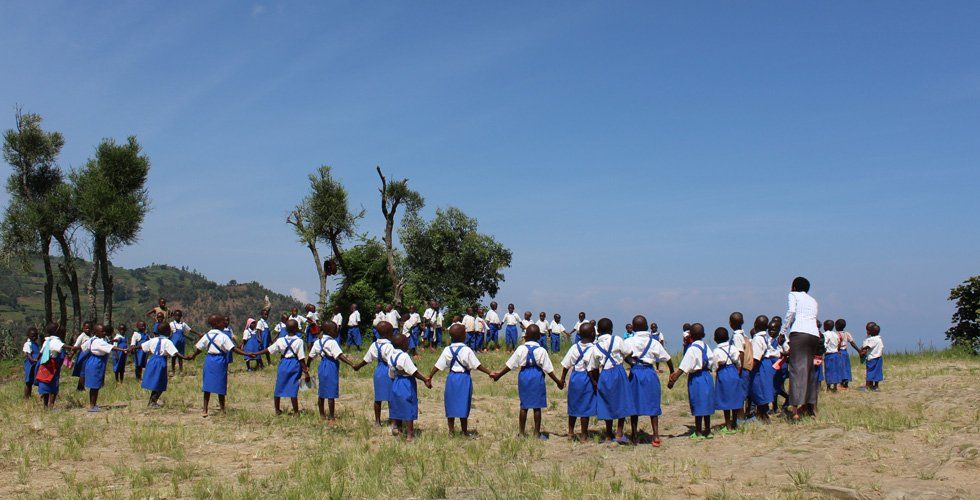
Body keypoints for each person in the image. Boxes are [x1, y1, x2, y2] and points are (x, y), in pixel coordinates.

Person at [490, 324, 563, 439]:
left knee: (524, 406)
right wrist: (558, 382)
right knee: (537, 406)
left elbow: (510, 365)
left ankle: (522, 433)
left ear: (525, 336)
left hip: (524, 375)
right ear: (539, 336)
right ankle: (537, 433)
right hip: (537, 376)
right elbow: (548, 370)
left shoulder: (521, 349)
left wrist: (499, 375)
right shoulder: (541, 350)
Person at [427, 324, 494, 435]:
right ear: (464, 336)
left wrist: (430, 377)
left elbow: (438, 366)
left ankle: (451, 431)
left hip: (452, 378)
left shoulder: (447, 350)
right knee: (464, 403)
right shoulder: (466, 350)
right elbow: (477, 365)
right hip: (464, 379)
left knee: (450, 403)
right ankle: (464, 431)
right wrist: (489, 372)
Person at [625, 315, 673, 446]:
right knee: (653, 401)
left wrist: (630, 361)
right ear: (647, 327)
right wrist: (672, 373)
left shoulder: (629, 341)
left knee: (633, 403)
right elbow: (667, 358)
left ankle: (634, 435)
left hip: (635, 372)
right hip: (650, 372)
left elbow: (622, 355)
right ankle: (656, 435)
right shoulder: (654, 342)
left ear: (633, 327)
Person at [190, 315, 249, 417]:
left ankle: (205, 409)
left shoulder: (207, 335)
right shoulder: (223, 336)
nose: (224, 323)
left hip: (209, 360)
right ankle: (222, 409)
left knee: (207, 385)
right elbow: (233, 349)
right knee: (221, 385)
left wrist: (193, 356)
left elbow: (199, 348)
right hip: (220, 360)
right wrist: (247, 354)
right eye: (222, 322)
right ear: (217, 324)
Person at [780, 276, 821, 420]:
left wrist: (783, 332)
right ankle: (810, 408)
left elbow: (791, 312)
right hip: (814, 334)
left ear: (794, 287)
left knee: (796, 370)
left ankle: (796, 411)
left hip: (799, 332)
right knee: (809, 371)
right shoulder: (813, 300)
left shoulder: (793, 295)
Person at [250, 319, 311, 414]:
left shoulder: (280, 340)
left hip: (283, 364)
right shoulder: (299, 341)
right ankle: (296, 412)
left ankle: (277, 409)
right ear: (297, 329)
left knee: (279, 386)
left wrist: (256, 353)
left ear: (286, 329)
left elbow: (268, 350)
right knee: (293, 388)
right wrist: (306, 372)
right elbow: (301, 359)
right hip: (294, 365)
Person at [590, 318, 635, 445]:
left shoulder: (596, 346)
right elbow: (628, 352)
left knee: (606, 402)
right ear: (611, 329)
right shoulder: (618, 339)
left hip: (604, 373)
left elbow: (593, 367)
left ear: (598, 330)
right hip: (618, 371)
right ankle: (619, 433)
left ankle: (608, 434)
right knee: (622, 400)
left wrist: (596, 382)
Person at [667, 323, 716, 439]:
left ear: (690, 336)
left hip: (697, 379)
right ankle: (708, 431)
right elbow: (713, 361)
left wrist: (673, 379)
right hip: (707, 376)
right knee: (706, 403)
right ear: (703, 334)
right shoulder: (706, 346)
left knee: (697, 402)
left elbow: (684, 367)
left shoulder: (692, 349)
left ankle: (698, 431)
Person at [309, 320, 358, 422]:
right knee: (331, 392)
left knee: (321, 391)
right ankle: (331, 416)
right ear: (330, 331)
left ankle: (322, 415)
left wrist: (307, 366)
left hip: (322, 366)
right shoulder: (332, 342)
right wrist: (352, 364)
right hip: (331, 366)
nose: (336, 331)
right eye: (335, 329)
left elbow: (310, 356)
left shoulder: (318, 342)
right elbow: (339, 356)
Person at [388, 333, 432, 441]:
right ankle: (410, 435)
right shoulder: (404, 356)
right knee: (409, 406)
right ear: (403, 344)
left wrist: (393, 380)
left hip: (396, 382)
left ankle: (397, 428)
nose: (408, 344)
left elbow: (391, 372)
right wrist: (425, 380)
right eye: (407, 342)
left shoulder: (391, 356)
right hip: (406, 382)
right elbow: (413, 372)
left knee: (397, 405)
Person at [350, 321, 395, 426]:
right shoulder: (390, 346)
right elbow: (392, 362)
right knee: (391, 397)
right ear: (389, 333)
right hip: (388, 371)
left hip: (378, 371)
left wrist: (358, 366)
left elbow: (367, 359)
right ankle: (393, 421)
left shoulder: (374, 345)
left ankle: (377, 421)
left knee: (378, 397)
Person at [559, 322, 597, 442]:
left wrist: (562, 379)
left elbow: (566, 365)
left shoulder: (574, 347)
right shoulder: (594, 349)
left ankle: (570, 432)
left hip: (575, 377)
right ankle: (584, 435)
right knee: (585, 407)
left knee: (573, 403)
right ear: (592, 334)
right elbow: (595, 367)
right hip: (587, 378)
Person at [141, 323, 190, 408]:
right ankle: (152, 402)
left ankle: (152, 401)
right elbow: (176, 353)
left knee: (156, 381)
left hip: (152, 361)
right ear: (168, 331)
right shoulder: (168, 342)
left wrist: (132, 348)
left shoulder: (153, 340)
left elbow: (142, 346)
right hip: (161, 362)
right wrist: (185, 357)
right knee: (161, 382)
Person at [85, 324, 129, 412]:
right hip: (97, 362)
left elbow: (83, 347)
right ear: (96, 332)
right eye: (102, 331)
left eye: (104, 331)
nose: (104, 333)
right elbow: (112, 347)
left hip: (93, 361)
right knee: (95, 385)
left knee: (95, 385)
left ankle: (93, 404)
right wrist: (123, 350)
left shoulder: (93, 339)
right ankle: (92, 406)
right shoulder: (99, 341)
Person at [712, 327, 742, 433]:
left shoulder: (716, 351)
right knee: (734, 398)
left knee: (725, 400)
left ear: (715, 339)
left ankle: (728, 425)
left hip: (723, 373)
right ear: (728, 337)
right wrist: (738, 371)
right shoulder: (733, 348)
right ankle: (735, 423)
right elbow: (738, 362)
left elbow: (715, 366)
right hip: (733, 372)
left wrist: (715, 374)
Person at [749, 320, 779, 422]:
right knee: (763, 388)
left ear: (755, 325)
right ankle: (763, 414)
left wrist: (750, 368)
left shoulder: (757, 339)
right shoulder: (765, 337)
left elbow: (756, 357)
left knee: (759, 388)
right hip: (766, 364)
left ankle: (762, 415)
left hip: (760, 365)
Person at [35, 323, 66, 408]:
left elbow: (41, 352)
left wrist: (36, 360)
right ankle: (51, 405)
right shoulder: (56, 341)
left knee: (45, 383)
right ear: (57, 331)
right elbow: (63, 346)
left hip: (44, 364)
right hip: (52, 365)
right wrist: (75, 348)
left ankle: (45, 406)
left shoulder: (47, 341)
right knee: (53, 385)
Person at [169, 309, 196, 375]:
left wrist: (197, 334)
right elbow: (169, 332)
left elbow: (189, 330)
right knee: (174, 356)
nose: (177, 317)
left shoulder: (183, 324)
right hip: (174, 342)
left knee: (180, 357)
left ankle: (181, 371)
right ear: (174, 316)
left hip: (181, 342)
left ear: (181, 316)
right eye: (176, 315)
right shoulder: (171, 324)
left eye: (179, 315)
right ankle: (173, 371)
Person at [69, 321, 94, 391]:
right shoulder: (82, 336)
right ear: (83, 328)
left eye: (89, 328)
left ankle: (81, 386)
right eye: (86, 328)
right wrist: (71, 355)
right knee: (82, 372)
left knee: (86, 372)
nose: (87, 329)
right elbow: (75, 346)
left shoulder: (91, 336)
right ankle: (80, 387)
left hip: (89, 356)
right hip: (83, 356)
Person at [860, 322, 884, 391]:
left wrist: (861, 349)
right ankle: (875, 386)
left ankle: (867, 387)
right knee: (877, 372)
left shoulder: (873, 339)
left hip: (872, 358)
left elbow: (867, 346)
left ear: (872, 332)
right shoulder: (879, 339)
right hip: (879, 358)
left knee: (870, 372)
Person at [836, 319, 858, 390]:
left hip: (839, 352)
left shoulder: (836, 334)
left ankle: (841, 383)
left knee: (840, 368)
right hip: (845, 352)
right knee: (846, 367)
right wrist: (858, 350)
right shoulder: (847, 333)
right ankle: (846, 383)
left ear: (836, 326)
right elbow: (852, 343)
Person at [822, 319, 842, 391]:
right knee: (836, 370)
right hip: (836, 354)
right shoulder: (835, 334)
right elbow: (839, 342)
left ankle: (828, 387)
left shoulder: (825, 334)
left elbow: (825, 344)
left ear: (826, 326)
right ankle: (835, 386)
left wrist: (822, 351)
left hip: (829, 355)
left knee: (829, 371)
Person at [22, 327, 40, 399]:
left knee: (32, 380)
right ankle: (26, 397)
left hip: (35, 363)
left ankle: (29, 395)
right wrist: (32, 359)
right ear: (28, 335)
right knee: (28, 381)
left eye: (36, 335)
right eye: (32, 335)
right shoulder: (28, 344)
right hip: (30, 364)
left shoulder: (35, 344)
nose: (34, 337)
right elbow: (28, 353)